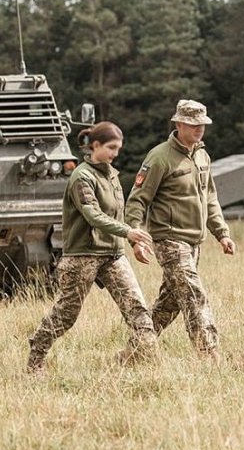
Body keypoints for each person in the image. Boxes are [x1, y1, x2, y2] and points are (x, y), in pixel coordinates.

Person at [27, 121, 157, 373]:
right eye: (111, 148)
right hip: (83, 255)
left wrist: (133, 241)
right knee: (66, 315)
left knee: (138, 312)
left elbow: (117, 213)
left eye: (118, 148)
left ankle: (137, 364)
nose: (115, 154)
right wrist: (128, 231)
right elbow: (93, 215)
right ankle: (36, 357)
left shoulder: (112, 175)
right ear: (95, 145)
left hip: (113, 255)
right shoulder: (82, 177)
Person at [124, 99, 235, 358]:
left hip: (195, 242)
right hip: (169, 240)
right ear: (179, 124)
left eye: (202, 124)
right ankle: (209, 355)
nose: (199, 129)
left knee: (169, 303)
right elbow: (138, 199)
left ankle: (134, 352)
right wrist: (136, 238)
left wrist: (222, 233)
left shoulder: (202, 156)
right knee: (194, 295)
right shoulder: (159, 157)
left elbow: (210, 198)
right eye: (193, 124)